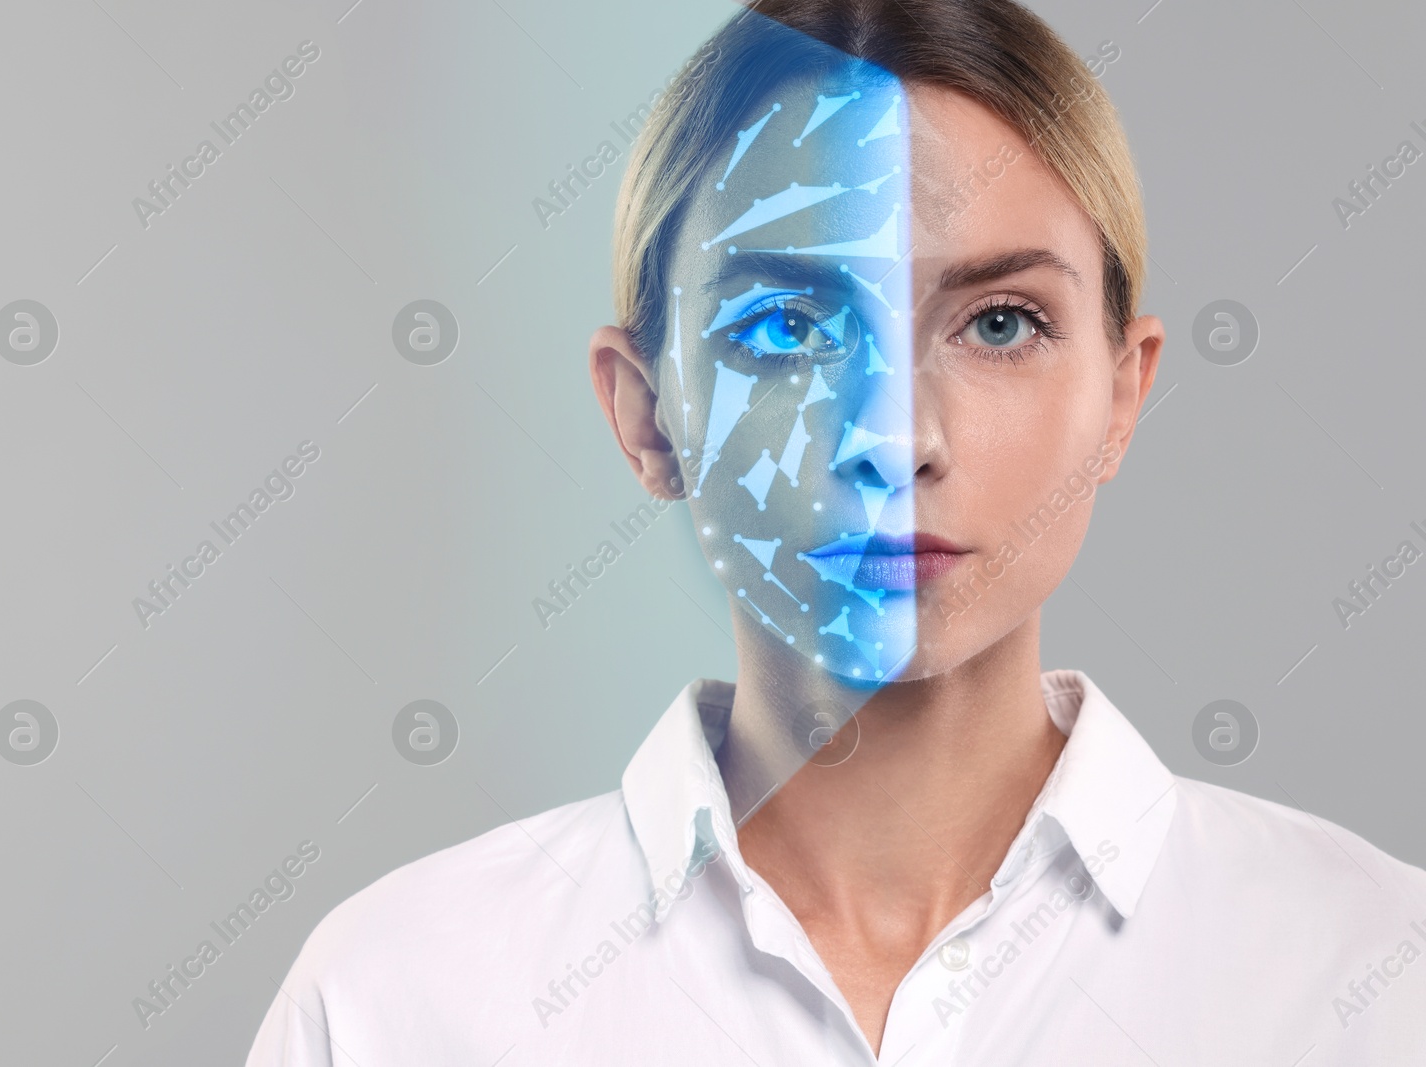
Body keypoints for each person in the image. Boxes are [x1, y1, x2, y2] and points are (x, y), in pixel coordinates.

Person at [247, 1, 1426, 1063]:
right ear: (645, 413)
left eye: (1001, 322)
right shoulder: (396, 1001)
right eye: (786, 326)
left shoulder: (1375, 976)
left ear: (1121, 395)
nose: (894, 431)